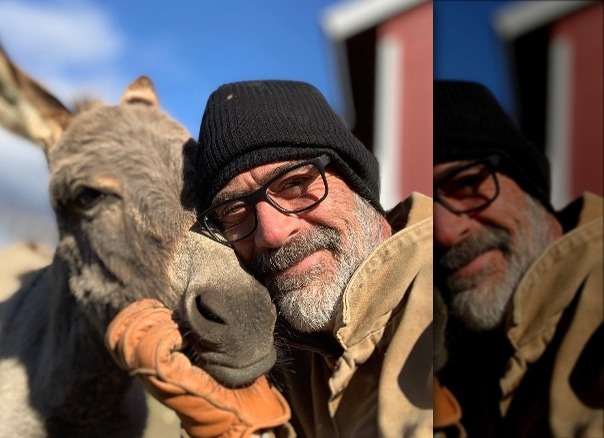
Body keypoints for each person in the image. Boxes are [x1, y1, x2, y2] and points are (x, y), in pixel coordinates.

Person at [108, 80, 433, 437]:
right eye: (235, 210)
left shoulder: (444, 299)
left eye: (295, 184)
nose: (272, 232)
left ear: (357, 181)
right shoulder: (288, 351)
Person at [433, 80, 603, 437]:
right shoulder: (446, 364)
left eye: (466, 184)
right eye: (424, 216)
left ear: (528, 184)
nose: (446, 233)